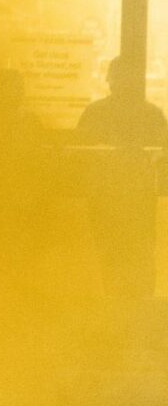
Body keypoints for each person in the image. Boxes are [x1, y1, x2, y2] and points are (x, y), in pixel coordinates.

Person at [77, 53, 166, 299]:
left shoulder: (97, 112)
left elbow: (81, 150)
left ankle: (119, 302)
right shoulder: (150, 113)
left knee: (118, 251)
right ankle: (138, 303)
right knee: (133, 251)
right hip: (131, 193)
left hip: (115, 194)